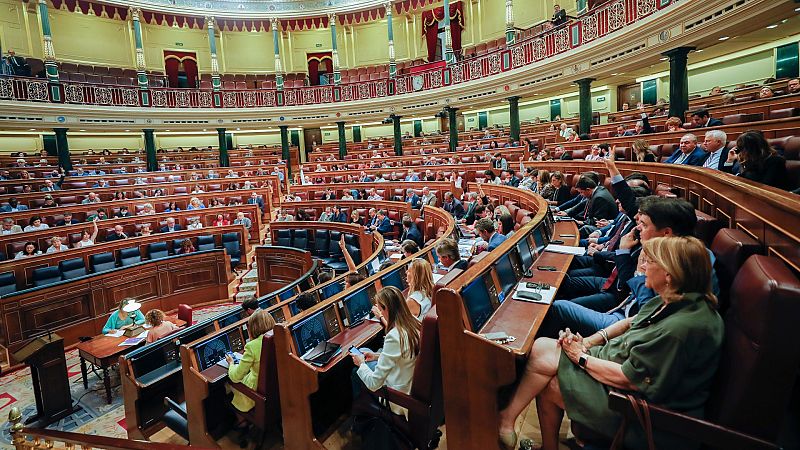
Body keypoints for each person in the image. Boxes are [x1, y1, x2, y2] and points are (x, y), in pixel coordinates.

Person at [497, 236, 723, 450]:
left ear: (669, 275)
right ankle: (508, 420)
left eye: (649, 261)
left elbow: (632, 380)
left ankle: (508, 421)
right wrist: (587, 341)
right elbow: (628, 323)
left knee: (549, 378)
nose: (642, 266)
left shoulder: (680, 329)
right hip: (617, 366)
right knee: (544, 348)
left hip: (647, 414)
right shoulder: (673, 300)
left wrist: (581, 357)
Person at [351, 286, 421, 416]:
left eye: (380, 309)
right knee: (367, 351)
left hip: (398, 397)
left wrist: (361, 364)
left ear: (386, 309)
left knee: (356, 372)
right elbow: (404, 354)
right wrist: (377, 356)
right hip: (409, 383)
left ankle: (361, 421)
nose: (380, 313)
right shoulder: (414, 322)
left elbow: (374, 384)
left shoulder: (394, 336)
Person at [227, 309, 276, 412]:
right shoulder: (278, 337)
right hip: (275, 389)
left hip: (257, 392)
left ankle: (241, 421)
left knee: (228, 383)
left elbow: (235, 377)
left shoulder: (251, 346)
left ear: (253, 328)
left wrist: (231, 363)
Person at [723, 130, 788, 190]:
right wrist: (730, 161)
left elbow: (764, 186)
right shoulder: (750, 160)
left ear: (751, 149)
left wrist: (744, 169)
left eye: (742, 148)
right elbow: (725, 177)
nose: (740, 152)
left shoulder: (775, 161)